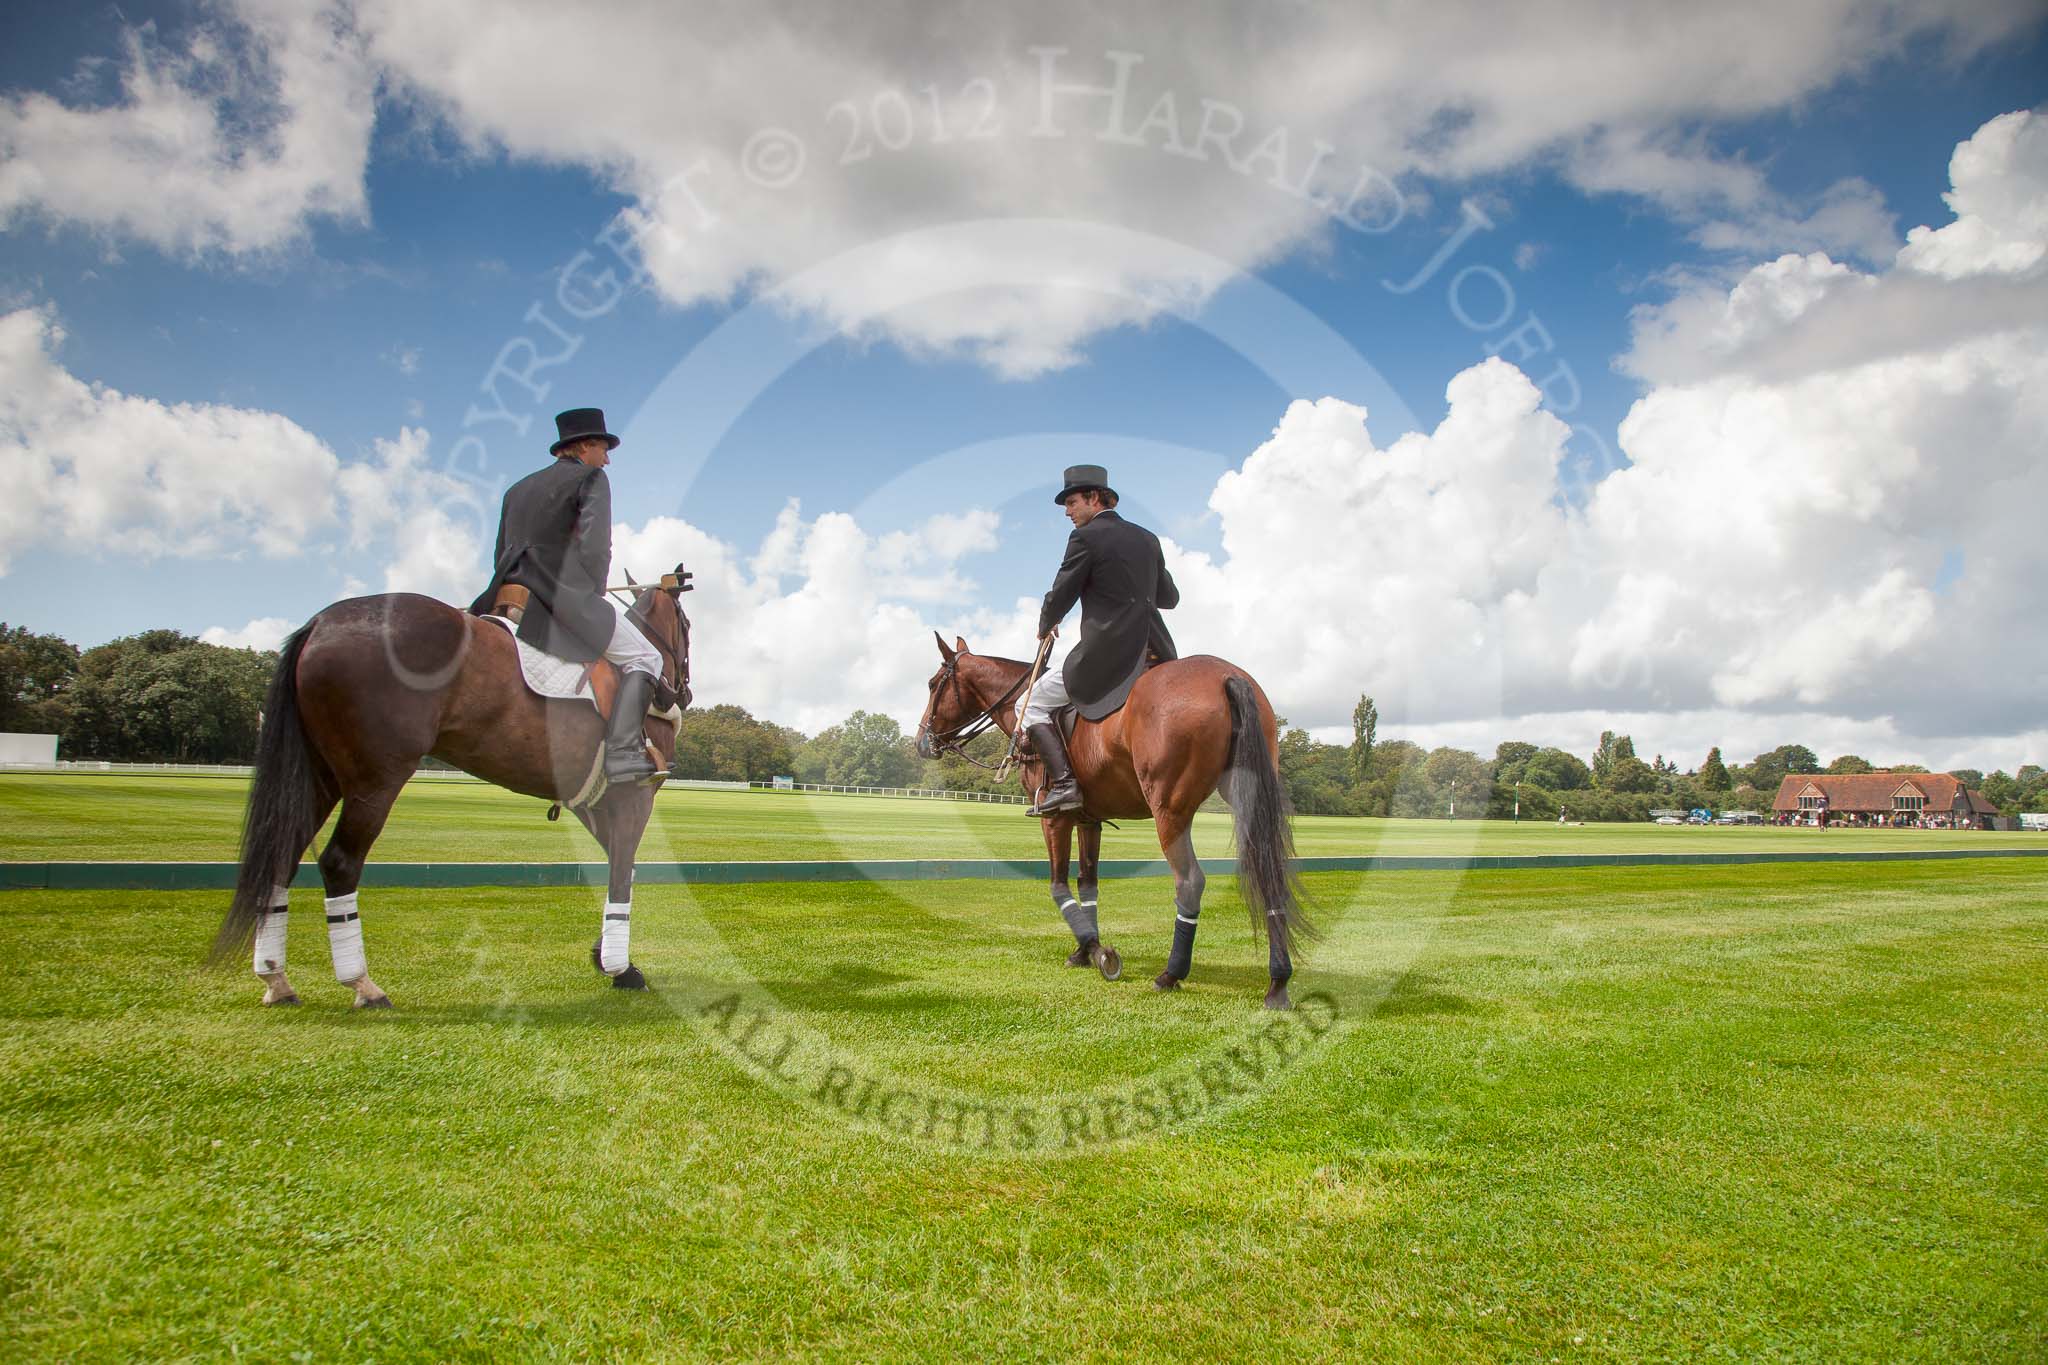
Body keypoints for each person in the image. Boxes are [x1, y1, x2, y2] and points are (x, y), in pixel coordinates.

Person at [470, 407, 662, 784]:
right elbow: (595, 548)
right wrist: (594, 591)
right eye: (604, 449)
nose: (606, 459)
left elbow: (499, 553)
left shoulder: (516, 490)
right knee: (647, 656)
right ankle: (623, 755)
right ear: (587, 446)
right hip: (558, 599)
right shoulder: (593, 479)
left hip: (506, 596)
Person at [1021, 464, 1178, 816]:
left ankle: (1064, 785)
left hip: (1108, 654)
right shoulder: (1148, 538)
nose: (1067, 511)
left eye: (1072, 502)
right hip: (1158, 651)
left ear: (1094, 498)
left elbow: (1062, 591)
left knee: (1027, 705)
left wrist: (1047, 622)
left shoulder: (1085, 538)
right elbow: (1169, 598)